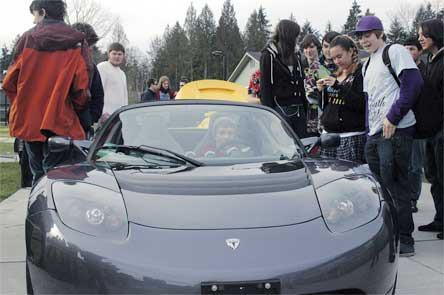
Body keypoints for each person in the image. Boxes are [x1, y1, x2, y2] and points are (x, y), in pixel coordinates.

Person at [2, 0, 91, 185]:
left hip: (30, 118)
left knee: (38, 177)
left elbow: (9, 81)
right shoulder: (77, 42)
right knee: (61, 177)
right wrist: (78, 109)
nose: (34, 21)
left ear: (42, 12)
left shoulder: (27, 39)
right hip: (62, 119)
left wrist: (21, 103)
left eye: (34, 15)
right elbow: (81, 86)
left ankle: (38, 210)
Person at [355, 15, 423, 256]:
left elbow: (413, 84)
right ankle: (388, 235)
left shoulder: (394, 52)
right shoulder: (366, 63)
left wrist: (393, 117)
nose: (364, 40)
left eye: (368, 35)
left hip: (397, 130)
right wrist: (367, 132)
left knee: (396, 185)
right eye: (361, 36)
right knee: (380, 188)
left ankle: (405, 239)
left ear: (380, 34)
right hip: (375, 134)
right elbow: (370, 101)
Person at [316, 35, 366, 163]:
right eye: (333, 58)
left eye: (339, 56)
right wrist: (321, 91)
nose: (337, 61)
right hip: (328, 136)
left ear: (350, 51)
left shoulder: (361, 73)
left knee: (348, 179)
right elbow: (326, 106)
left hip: (350, 137)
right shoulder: (335, 74)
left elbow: (360, 103)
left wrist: (338, 86)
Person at [416, 19, 443, 240]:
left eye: (424, 34)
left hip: (441, 129)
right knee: (434, 176)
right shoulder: (430, 60)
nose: (420, 38)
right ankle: (440, 218)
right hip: (431, 130)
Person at [260, 19, 307, 138]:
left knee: (302, 144)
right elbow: (266, 87)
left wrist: (304, 109)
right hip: (280, 109)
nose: (298, 39)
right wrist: (268, 115)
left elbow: (301, 83)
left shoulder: (296, 55)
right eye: (296, 36)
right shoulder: (269, 55)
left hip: (298, 108)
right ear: (289, 36)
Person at [403, 37, 426, 213]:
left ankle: (412, 198)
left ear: (419, 51)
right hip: (401, 123)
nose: (408, 53)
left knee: (415, 165)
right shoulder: (400, 71)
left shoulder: (424, 71)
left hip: (420, 124)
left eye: (411, 49)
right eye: (405, 49)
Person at [72, 22, 104, 138]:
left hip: (82, 127)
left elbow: (98, 95)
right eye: (88, 46)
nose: (90, 50)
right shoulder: (62, 64)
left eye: (91, 47)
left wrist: (90, 119)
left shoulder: (92, 68)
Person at [301, 34, 330, 136]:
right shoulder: (300, 65)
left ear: (318, 48)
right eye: (305, 48)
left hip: (321, 109)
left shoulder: (324, 65)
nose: (308, 50)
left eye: (311, 47)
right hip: (304, 110)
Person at [97, 42, 128, 118]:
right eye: (114, 54)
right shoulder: (102, 67)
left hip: (119, 115)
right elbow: (98, 92)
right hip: (106, 116)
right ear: (109, 54)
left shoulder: (122, 73)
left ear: (123, 56)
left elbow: (125, 97)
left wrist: (126, 112)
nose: (117, 56)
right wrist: (102, 113)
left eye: (119, 54)